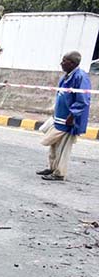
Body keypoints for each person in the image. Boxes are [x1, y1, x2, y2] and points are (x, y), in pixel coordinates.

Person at [37, 51, 92, 181]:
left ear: (72, 63)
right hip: (59, 117)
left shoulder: (80, 77)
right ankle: (52, 167)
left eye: (64, 61)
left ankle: (59, 173)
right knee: (54, 145)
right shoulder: (66, 76)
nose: (61, 63)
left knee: (63, 147)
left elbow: (83, 100)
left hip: (69, 120)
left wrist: (72, 116)